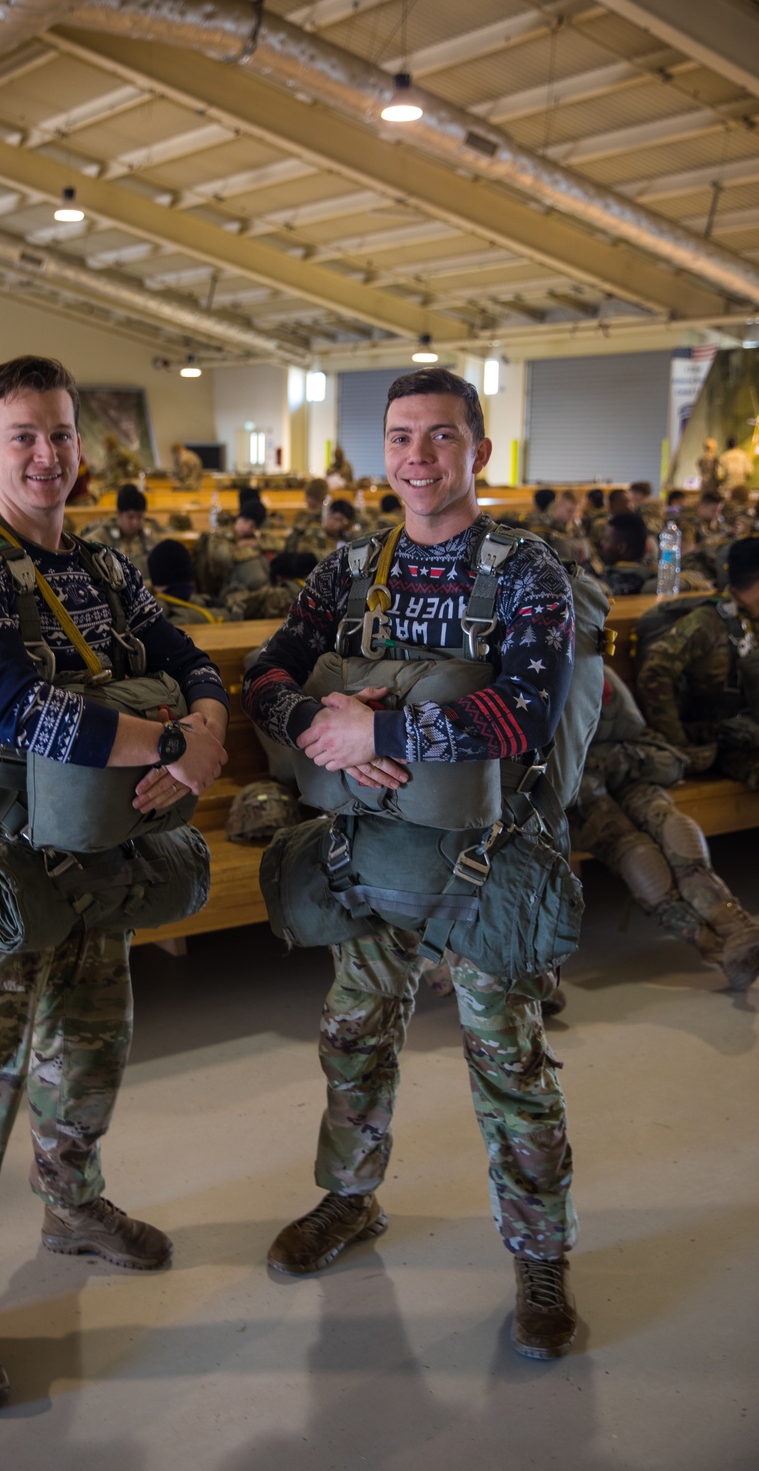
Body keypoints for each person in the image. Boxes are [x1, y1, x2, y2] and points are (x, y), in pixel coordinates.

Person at [0, 355, 229, 1415]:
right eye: (24, 436)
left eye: (62, 435)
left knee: (90, 1050)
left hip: (92, 862)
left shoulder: (103, 564)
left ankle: (72, 1204)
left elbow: (183, 650)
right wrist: (170, 739)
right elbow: (3, 705)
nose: (47, 456)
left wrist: (209, 727)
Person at [243, 367, 580, 1360]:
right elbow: (265, 673)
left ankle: (539, 1255)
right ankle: (349, 1200)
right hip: (367, 860)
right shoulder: (350, 567)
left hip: (485, 866)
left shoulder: (529, 572)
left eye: (440, 437)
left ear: (477, 450)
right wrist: (313, 723)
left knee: (510, 1068)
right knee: (353, 1041)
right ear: (380, 453)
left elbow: (527, 711)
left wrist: (384, 727)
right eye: (400, 438)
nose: (418, 457)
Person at [570, 668, 759, 992]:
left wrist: (624, 759)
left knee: (676, 829)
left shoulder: (598, 671)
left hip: (626, 770)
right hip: (578, 793)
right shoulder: (524, 665)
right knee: (638, 855)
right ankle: (714, 946)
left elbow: (646, 740)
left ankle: (735, 925)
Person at [637, 536, 759, 792]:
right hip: (724, 740)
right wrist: (678, 741)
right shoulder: (707, 621)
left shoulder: (752, 617)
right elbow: (654, 671)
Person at [80, 482, 157, 578]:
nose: (135, 522)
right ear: (118, 513)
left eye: (140, 517)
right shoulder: (100, 538)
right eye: (130, 517)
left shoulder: (150, 538)